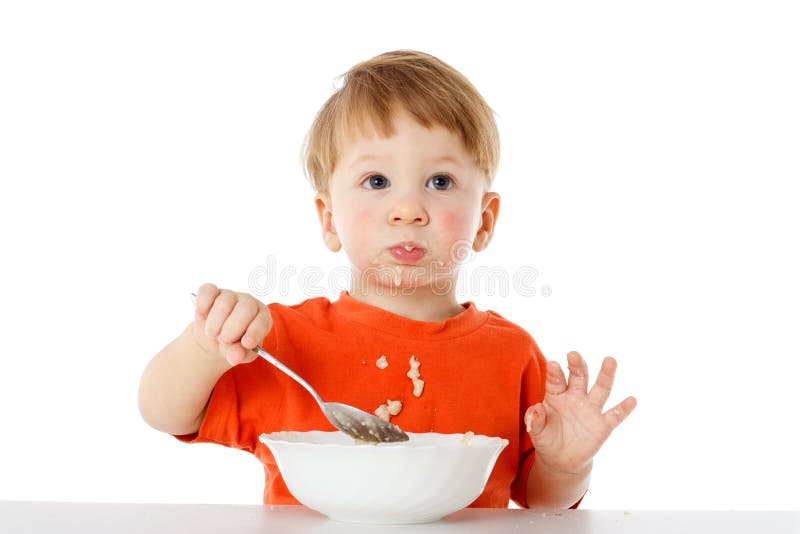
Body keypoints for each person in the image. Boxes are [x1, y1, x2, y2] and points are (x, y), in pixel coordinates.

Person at [138, 49, 637, 509]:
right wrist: (205, 347)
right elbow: (166, 414)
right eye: (376, 182)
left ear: (483, 222)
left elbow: (539, 503)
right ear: (328, 218)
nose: (407, 209)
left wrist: (565, 463)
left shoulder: (512, 357)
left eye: (439, 182)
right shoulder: (278, 341)